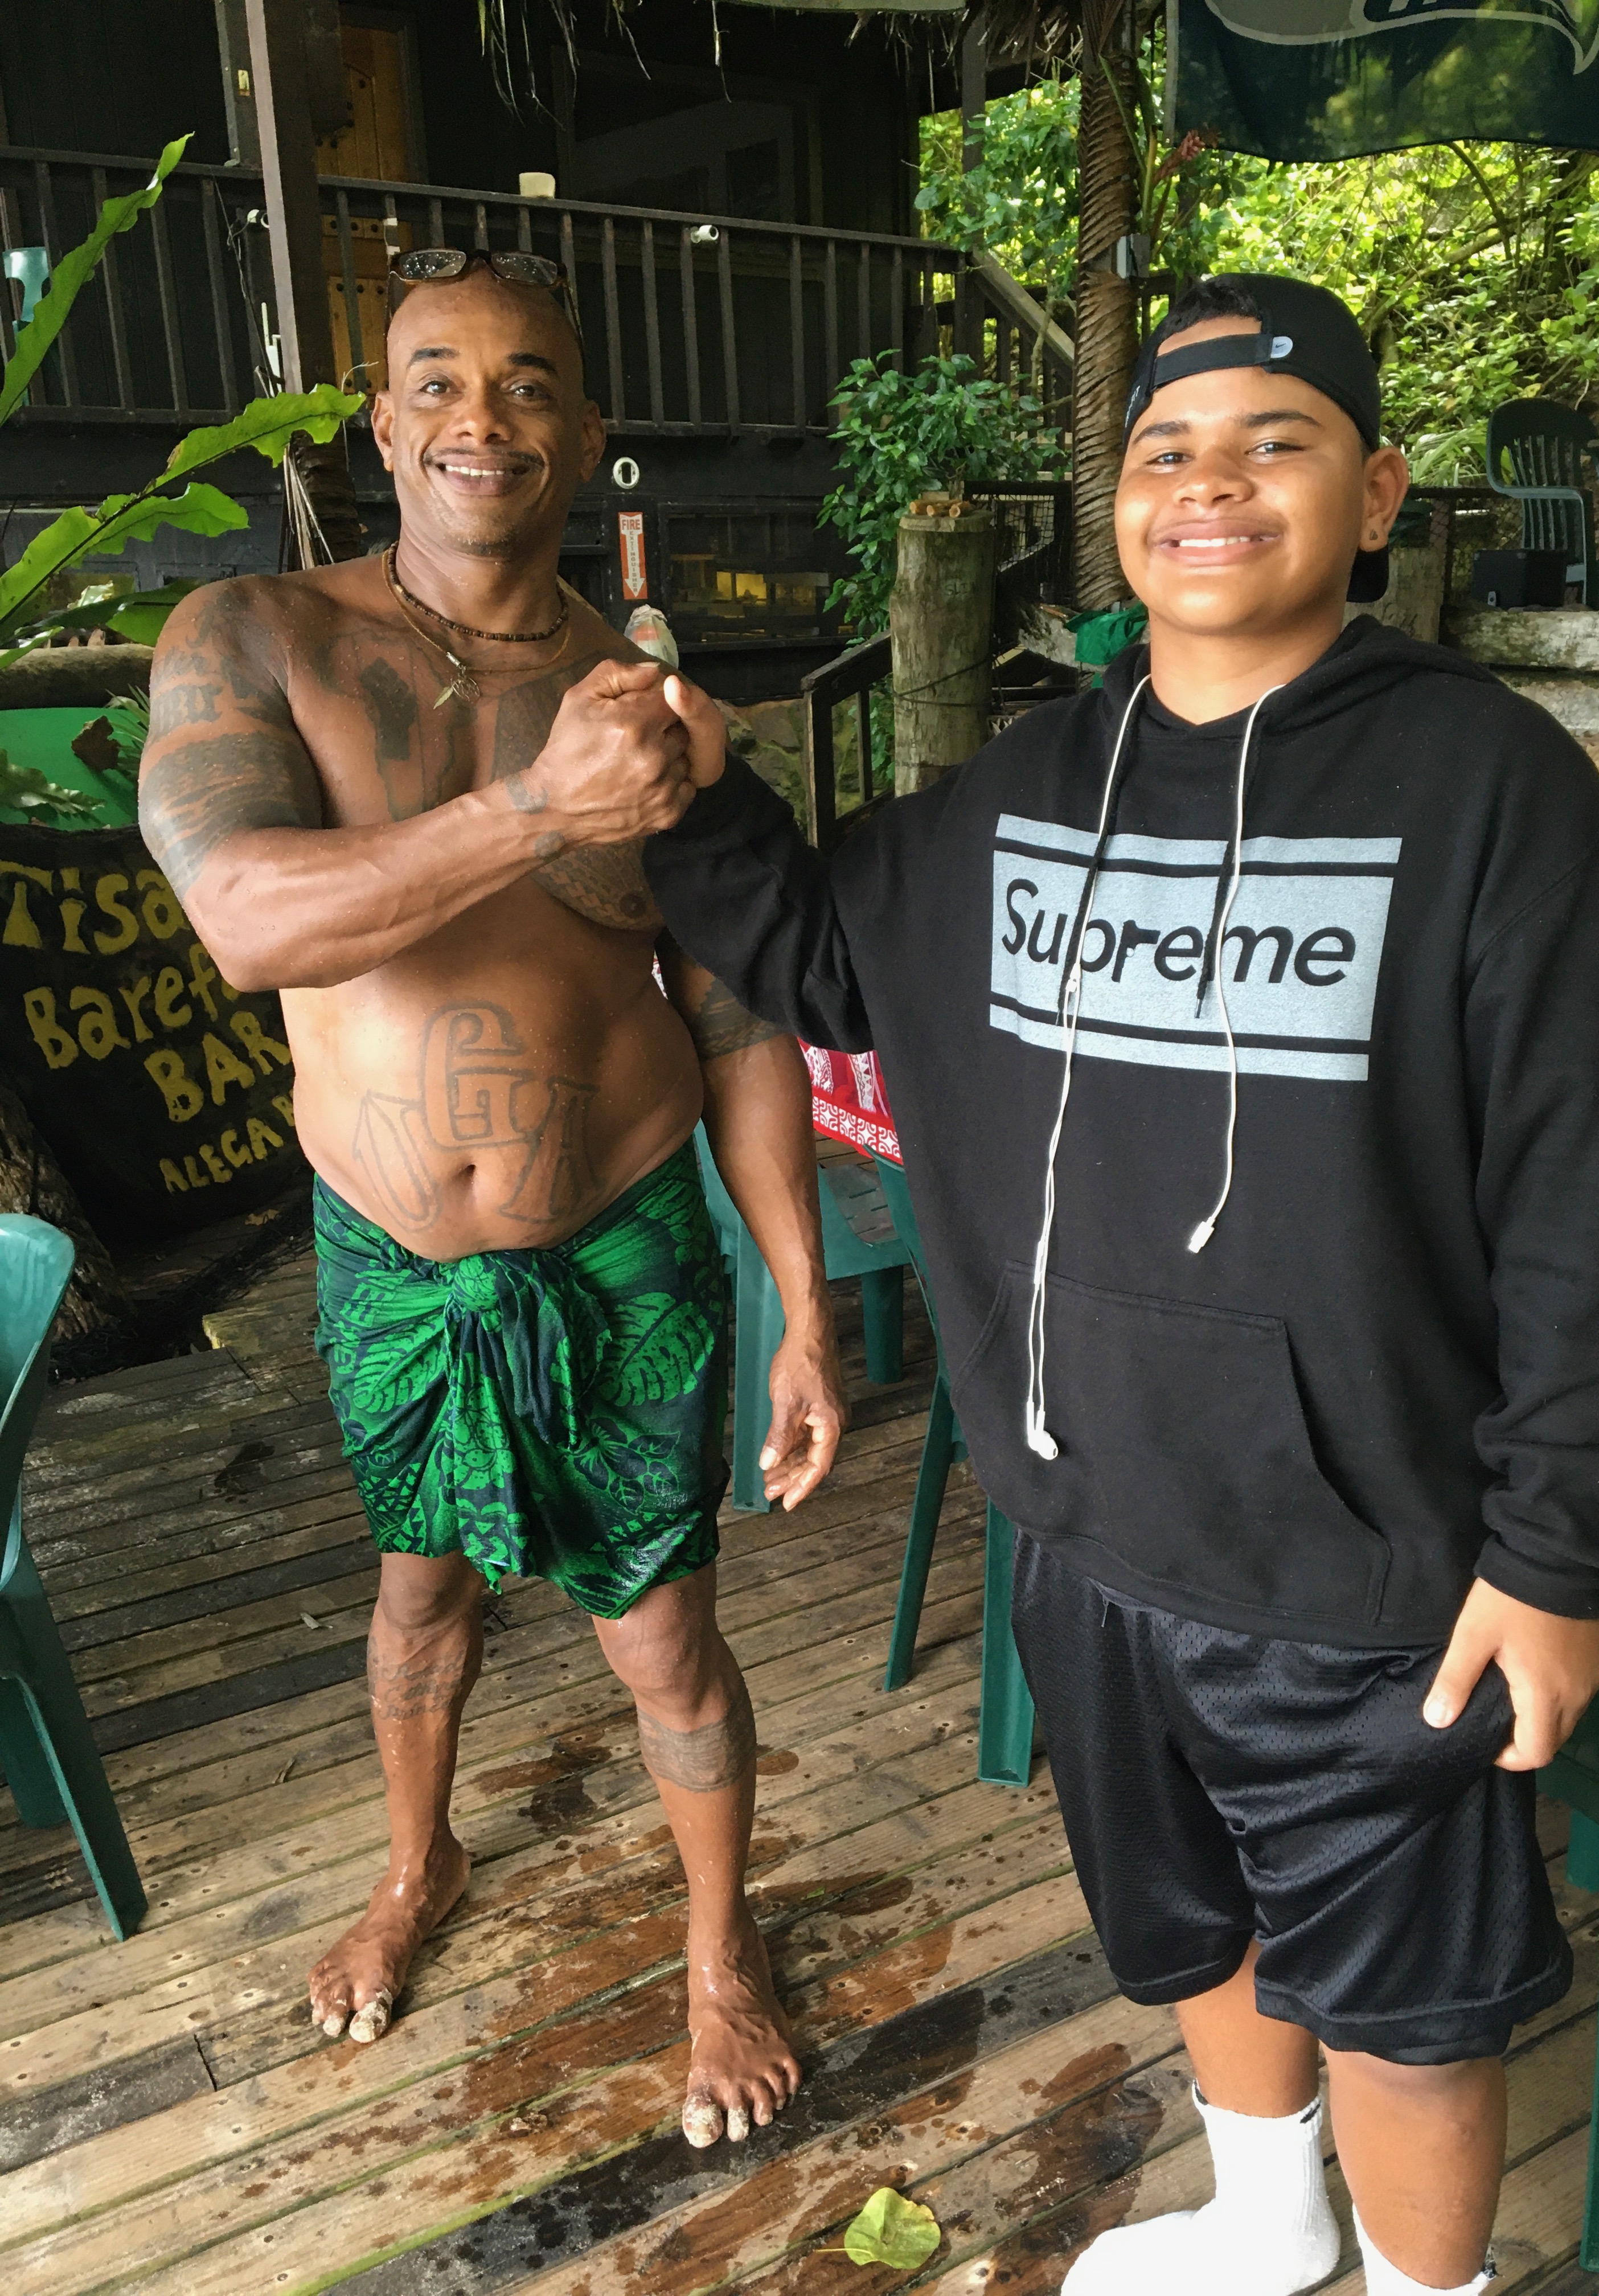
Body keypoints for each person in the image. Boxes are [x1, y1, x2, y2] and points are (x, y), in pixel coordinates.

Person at [636, 274, 1599, 2290]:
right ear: (1116, 510)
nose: (1209, 487)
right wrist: (695, 795)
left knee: (1400, 2001)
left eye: (1272, 444)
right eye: (1162, 453)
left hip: (1370, 1566)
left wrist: (1555, 1559)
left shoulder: (1493, 793)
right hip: (1087, 1524)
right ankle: (1271, 2225)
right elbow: (830, 963)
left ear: (1375, 494)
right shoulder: (1034, 781)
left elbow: (1584, 1195)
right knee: (1192, 1913)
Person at [137, 249, 847, 2151]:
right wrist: (538, 811)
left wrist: (803, 1292)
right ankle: (413, 1866)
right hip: (388, 1249)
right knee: (419, 1590)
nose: (482, 418)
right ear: (381, 421)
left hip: (623, 1230)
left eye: (529, 385)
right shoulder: (251, 636)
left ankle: (719, 1957)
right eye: (438, 382)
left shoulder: (662, 715)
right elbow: (243, 917)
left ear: (586, 434)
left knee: (665, 1637)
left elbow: (738, 1016)